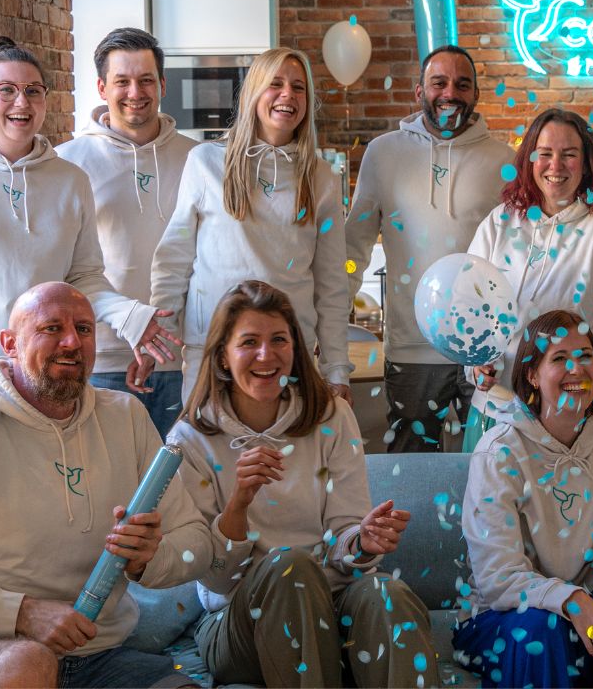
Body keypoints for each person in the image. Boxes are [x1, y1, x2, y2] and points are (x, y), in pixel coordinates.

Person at [0, 282, 211, 689]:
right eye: (51, 328)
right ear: (10, 344)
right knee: (28, 665)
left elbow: (197, 542)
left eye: (84, 329)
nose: (72, 341)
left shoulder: (127, 417)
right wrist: (18, 613)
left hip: (101, 657)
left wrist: (148, 559)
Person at [169, 280, 436, 688]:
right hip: (238, 623)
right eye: (248, 342)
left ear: (295, 351)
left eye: (279, 339)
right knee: (289, 564)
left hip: (332, 604)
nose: (266, 355)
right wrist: (239, 502)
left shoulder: (332, 416)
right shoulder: (190, 439)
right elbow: (217, 580)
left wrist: (361, 541)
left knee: (388, 594)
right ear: (223, 356)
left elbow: (345, 535)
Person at [0, 37, 175, 432]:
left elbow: (84, 275)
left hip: (39, 381)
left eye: (33, 91)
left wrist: (131, 316)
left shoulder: (70, 179)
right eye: (6, 90)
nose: (21, 102)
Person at [455, 309, 593, 688]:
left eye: (586, 356)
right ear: (532, 374)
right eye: (559, 358)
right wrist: (569, 601)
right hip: (506, 618)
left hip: (592, 607)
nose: (576, 368)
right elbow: (498, 577)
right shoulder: (499, 452)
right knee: (542, 629)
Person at [151, 46, 352, 397]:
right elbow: (174, 259)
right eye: (276, 83)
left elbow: (332, 283)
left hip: (289, 356)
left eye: (299, 87)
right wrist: (161, 343)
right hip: (212, 352)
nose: (288, 94)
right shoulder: (205, 163)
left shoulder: (321, 177)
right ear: (254, 92)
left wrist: (336, 369)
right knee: (209, 451)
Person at [466, 107, 593, 449]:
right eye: (544, 154)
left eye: (569, 155)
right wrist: (474, 363)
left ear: (587, 163)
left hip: (574, 417)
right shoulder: (499, 223)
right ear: (529, 160)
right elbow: (470, 309)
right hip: (497, 413)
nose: (555, 166)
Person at [346, 44, 511, 451]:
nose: (449, 92)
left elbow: (516, 255)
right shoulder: (383, 154)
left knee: (495, 467)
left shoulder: (505, 159)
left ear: (475, 95)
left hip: (486, 352)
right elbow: (354, 246)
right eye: (439, 82)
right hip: (411, 350)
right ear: (419, 91)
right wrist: (330, 324)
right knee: (410, 464)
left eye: (462, 84)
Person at [61, 28, 195, 438]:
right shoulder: (68, 163)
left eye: (146, 80)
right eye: (122, 81)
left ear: (162, 85)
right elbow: (67, 267)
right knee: (109, 492)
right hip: (101, 360)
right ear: (102, 87)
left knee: (178, 489)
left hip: (181, 358)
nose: (135, 91)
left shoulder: (197, 158)